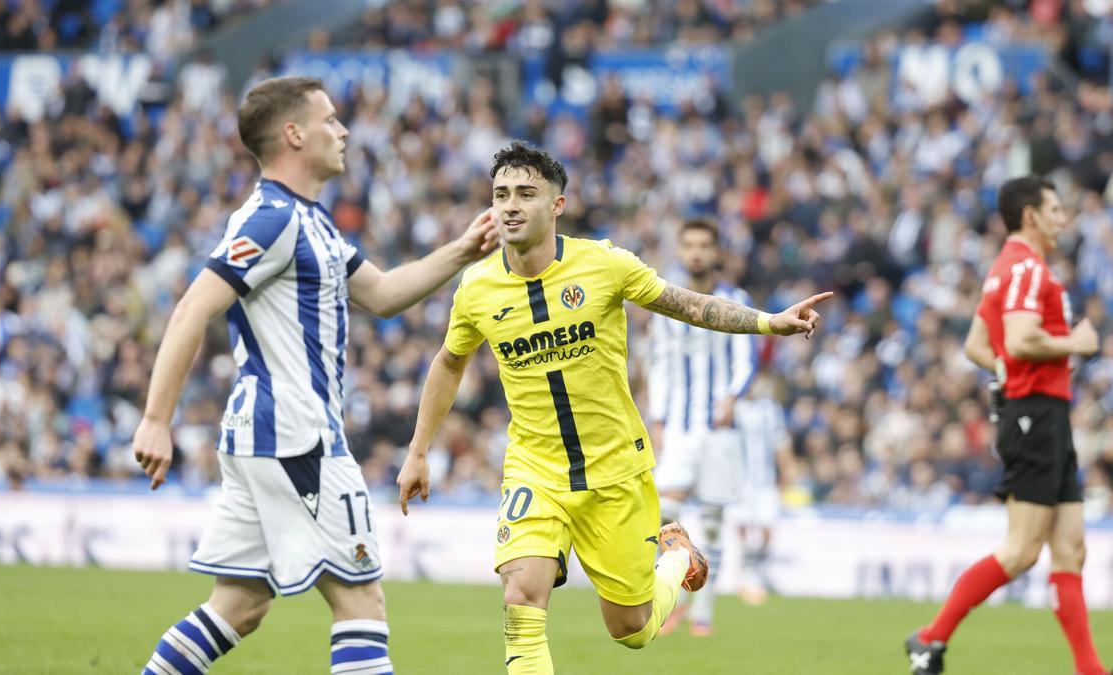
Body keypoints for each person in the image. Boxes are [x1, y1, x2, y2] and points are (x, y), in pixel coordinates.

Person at [397, 141, 832, 674]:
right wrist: (418, 451)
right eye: (501, 194)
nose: (510, 205)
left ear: (556, 205)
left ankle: (678, 561)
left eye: (526, 194)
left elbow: (690, 304)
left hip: (616, 470)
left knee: (631, 630)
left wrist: (768, 321)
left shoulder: (604, 263)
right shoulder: (477, 287)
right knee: (521, 596)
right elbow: (448, 363)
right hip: (535, 468)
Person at [133, 76, 499, 675]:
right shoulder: (270, 219)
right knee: (361, 600)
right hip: (299, 439)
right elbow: (194, 306)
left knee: (241, 605)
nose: (343, 129)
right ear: (294, 133)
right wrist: (155, 418)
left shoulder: (314, 223)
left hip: (265, 439)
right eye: (329, 119)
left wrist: (461, 251)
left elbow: (380, 293)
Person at [904, 176, 1110, 675]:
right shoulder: (1023, 268)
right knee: (1021, 552)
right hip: (1035, 416)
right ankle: (929, 637)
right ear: (1030, 216)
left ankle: (1090, 670)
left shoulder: (1010, 269)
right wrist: (1073, 345)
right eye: (1056, 209)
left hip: (1044, 414)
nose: (1064, 218)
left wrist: (1007, 372)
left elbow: (979, 343)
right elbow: (1018, 340)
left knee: (1070, 549)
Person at [646, 218, 757, 637]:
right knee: (664, 514)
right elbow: (658, 363)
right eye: (688, 244)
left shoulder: (736, 299)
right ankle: (671, 595)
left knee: (711, 518)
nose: (696, 252)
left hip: (719, 427)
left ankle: (703, 614)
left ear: (715, 252)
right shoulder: (665, 300)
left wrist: (731, 396)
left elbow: (748, 355)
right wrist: (656, 418)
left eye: (703, 245)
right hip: (677, 425)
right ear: (679, 249)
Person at [730, 373, 792, 606]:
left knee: (767, 526)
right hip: (741, 479)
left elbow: (781, 441)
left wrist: (786, 469)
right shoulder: (735, 408)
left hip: (765, 479)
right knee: (742, 525)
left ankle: (756, 568)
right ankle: (746, 573)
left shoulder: (770, 410)